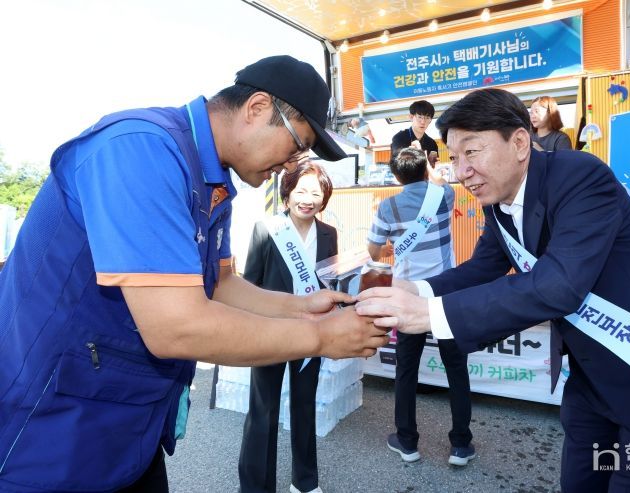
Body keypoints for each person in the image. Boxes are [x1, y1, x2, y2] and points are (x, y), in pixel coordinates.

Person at [0, 55, 388, 492]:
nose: (293, 163)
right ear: (257, 108)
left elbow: (219, 285)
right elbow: (177, 328)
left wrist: (302, 309)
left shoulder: (212, 181)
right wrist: (321, 338)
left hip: (127, 425)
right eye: (297, 144)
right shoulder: (141, 150)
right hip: (51, 428)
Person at [357, 88, 630, 492]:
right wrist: (412, 288)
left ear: (519, 143)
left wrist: (429, 315)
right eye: (453, 157)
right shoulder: (497, 200)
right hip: (591, 385)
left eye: (472, 152)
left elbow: (558, 285)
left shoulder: (581, 176)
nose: (461, 170)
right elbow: (484, 267)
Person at [367, 147, 474, 467]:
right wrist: (431, 171)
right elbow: (440, 180)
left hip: (408, 296)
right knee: (456, 368)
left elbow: (373, 251)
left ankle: (407, 441)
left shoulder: (388, 207)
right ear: (425, 168)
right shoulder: (443, 196)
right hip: (445, 294)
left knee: (406, 369)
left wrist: (392, 245)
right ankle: (460, 445)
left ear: (396, 176)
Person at [239, 162, 337, 493]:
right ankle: (256, 486)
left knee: (305, 405)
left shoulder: (329, 234)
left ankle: (305, 482)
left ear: (324, 198)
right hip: (270, 331)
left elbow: (329, 283)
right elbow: (249, 285)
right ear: (288, 193)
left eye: (316, 192)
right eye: (301, 191)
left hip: (311, 334)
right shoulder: (266, 229)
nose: (308, 199)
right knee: (262, 409)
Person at [390, 100, 439, 167]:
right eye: (420, 117)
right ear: (411, 117)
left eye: (427, 118)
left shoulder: (432, 143)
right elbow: (397, 164)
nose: (423, 122)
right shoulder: (399, 138)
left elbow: (434, 165)